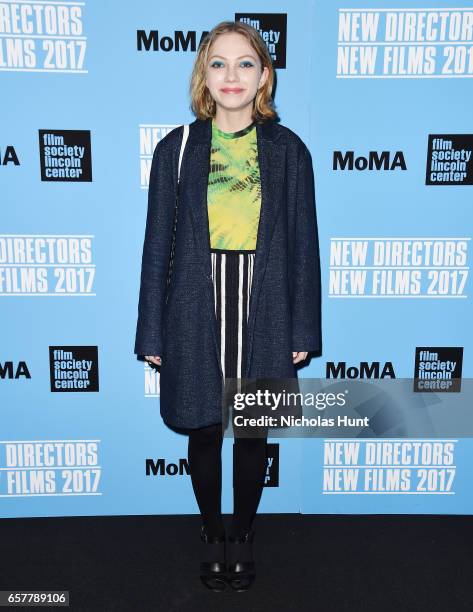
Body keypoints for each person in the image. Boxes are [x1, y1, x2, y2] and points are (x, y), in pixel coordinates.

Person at [134, 20, 322, 592]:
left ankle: (241, 532)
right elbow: (156, 246)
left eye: (245, 63)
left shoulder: (289, 151)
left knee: (252, 427)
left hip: (263, 299)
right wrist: (152, 333)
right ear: (204, 76)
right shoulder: (178, 148)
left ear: (264, 75)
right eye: (219, 63)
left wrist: (302, 325)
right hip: (195, 299)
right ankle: (211, 529)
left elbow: (302, 245)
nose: (232, 75)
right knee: (204, 424)